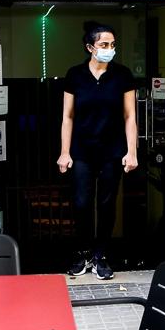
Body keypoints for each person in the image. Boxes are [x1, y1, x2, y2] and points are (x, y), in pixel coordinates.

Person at [57, 23, 137, 280]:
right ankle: (82, 253)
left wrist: (131, 151)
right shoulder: (75, 75)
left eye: (113, 45)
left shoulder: (122, 75)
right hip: (81, 150)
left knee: (106, 204)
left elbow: (130, 117)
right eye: (104, 45)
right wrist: (64, 152)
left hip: (113, 150)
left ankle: (100, 255)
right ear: (90, 47)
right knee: (81, 203)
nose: (109, 49)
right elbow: (67, 117)